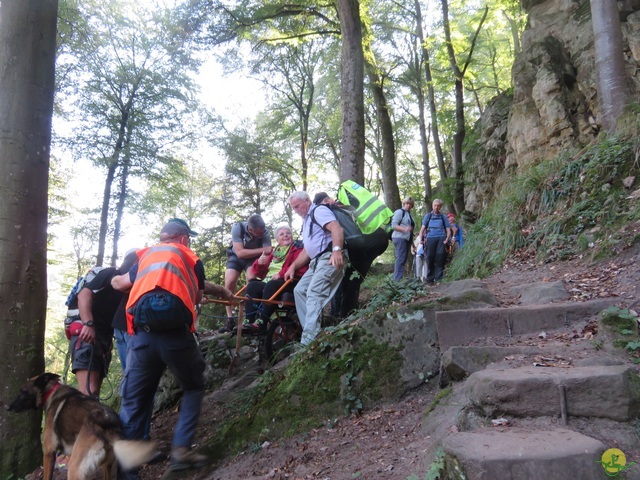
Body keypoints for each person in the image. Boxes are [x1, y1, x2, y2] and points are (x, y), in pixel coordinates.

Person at [111, 218, 231, 474]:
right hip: (176, 337)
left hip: (142, 337)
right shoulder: (190, 257)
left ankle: (127, 473)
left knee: (134, 402)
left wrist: (112, 281)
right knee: (194, 385)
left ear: (164, 236)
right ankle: (181, 451)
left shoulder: (145, 256)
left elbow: (121, 284)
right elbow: (197, 296)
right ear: (184, 238)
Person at [284, 191, 346, 347]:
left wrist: (337, 250)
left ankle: (308, 342)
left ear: (307, 201)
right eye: (294, 208)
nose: (296, 210)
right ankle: (313, 333)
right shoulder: (306, 221)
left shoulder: (318, 210)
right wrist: (293, 266)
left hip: (329, 256)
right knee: (300, 291)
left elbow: (336, 228)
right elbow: (306, 251)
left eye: (297, 206)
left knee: (314, 292)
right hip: (315, 262)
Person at [314, 191, 389, 318]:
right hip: (376, 240)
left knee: (346, 280)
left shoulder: (330, 211)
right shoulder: (345, 208)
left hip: (360, 245)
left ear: (326, 201)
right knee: (353, 279)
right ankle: (346, 313)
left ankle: (342, 315)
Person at [70, 257, 136, 397]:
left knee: (94, 391)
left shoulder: (131, 286)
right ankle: (80, 418)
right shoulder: (110, 273)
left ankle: (90, 419)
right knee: (88, 391)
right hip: (86, 333)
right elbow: (83, 295)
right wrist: (88, 324)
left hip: (102, 338)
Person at [245, 225, 308, 329]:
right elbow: (258, 273)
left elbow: (300, 267)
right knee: (252, 285)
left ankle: (262, 322)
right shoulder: (273, 253)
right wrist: (259, 263)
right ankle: (249, 320)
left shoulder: (297, 248)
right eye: (282, 234)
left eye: (288, 233)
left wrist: (280, 274)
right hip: (270, 281)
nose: (285, 235)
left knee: (271, 285)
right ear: (277, 239)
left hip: (289, 281)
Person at [221, 214, 272, 332]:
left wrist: (262, 255)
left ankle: (253, 315)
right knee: (229, 282)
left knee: (252, 281)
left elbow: (268, 253)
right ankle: (230, 318)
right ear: (250, 229)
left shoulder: (265, 232)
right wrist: (262, 250)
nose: (261, 234)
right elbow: (240, 253)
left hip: (253, 259)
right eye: (258, 233)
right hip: (235, 257)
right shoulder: (238, 228)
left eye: (262, 232)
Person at [418, 199, 452, 284]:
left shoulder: (443, 217)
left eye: (438, 206)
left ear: (440, 207)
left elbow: (448, 230)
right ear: (432, 206)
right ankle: (429, 279)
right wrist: (421, 240)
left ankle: (438, 279)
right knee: (430, 257)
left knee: (440, 257)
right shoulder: (428, 216)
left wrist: (447, 239)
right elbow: (422, 229)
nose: (436, 207)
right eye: (435, 205)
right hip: (430, 238)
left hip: (441, 238)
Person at [390, 197, 416, 281]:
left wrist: (413, 244)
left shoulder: (408, 214)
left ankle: (399, 279)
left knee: (403, 260)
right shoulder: (399, 212)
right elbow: (394, 225)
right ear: (404, 204)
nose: (408, 206)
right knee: (400, 259)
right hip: (399, 238)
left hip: (406, 239)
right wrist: (405, 229)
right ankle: (397, 281)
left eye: (410, 204)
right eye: (407, 204)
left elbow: (410, 232)